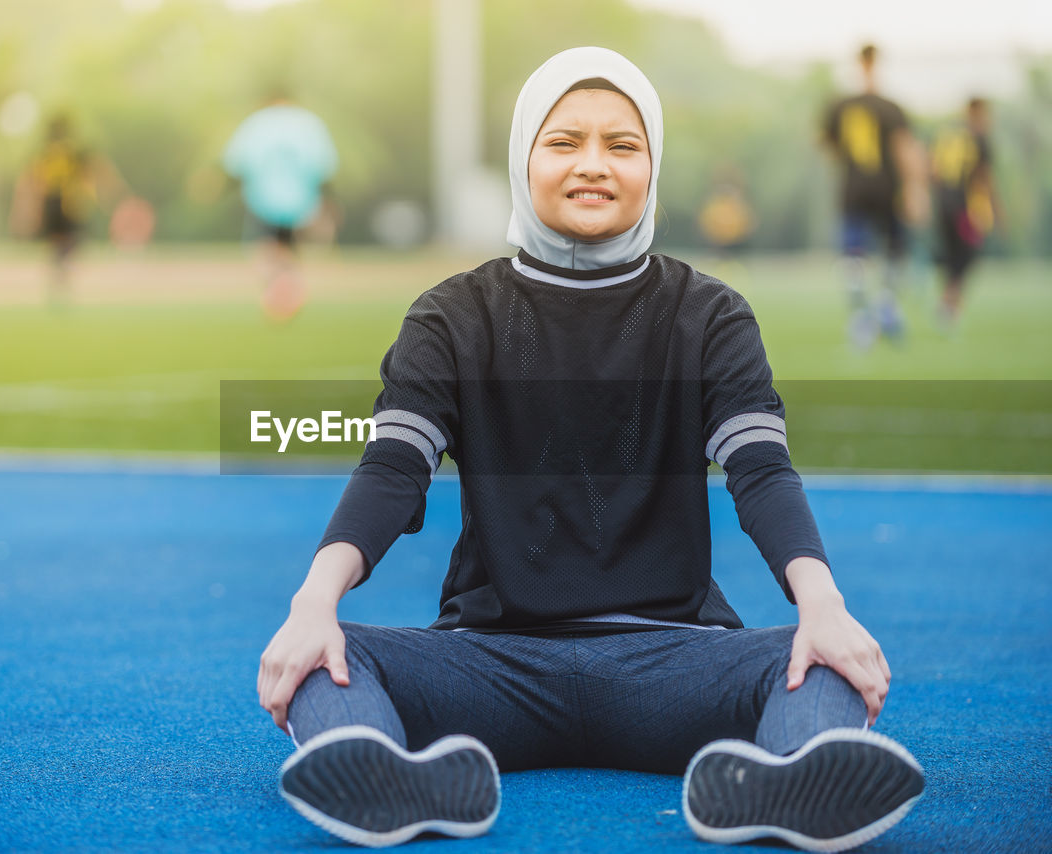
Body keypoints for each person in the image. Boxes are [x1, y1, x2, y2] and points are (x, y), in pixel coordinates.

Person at [258, 47, 924, 851]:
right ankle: (381, 778)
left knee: (821, 659)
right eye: (564, 142)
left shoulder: (709, 315)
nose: (594, 166)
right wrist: (312, 602)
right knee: (329, 654)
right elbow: (395, 468)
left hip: (675, 663)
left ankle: (793, 782)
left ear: (653, 165)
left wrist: (822, 605)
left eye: (623, 144)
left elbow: (761, 471)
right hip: (491, 664)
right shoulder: (452, 316)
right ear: (523, 159)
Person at [821, 45, 927, 349]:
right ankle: (885, 308)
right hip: (886, 189)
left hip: (854, 190)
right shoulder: (890, 107)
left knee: (853, 258)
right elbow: (905, 149)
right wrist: (915, 189)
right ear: (877, 63)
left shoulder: (840, 106)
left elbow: (826, 144)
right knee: (894, 253)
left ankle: (863, 318)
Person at [222, 95, 339, 322]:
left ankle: (277, 297)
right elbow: (325, 165)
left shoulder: (257, 122)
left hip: (264, 202)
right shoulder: (308, 123)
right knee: (288, 252)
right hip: (301, 203)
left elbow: (235, 163)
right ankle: (289, 293)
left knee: (267, 253)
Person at [10, 114, 135, 307]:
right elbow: (98, 171)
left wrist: (27, 211)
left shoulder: (45, 152)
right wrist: (113, 193)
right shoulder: (74, 151)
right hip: (68, 203)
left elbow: (30, 182)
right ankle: (61, 273)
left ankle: (59, 274)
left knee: (60, 244)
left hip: (54, 203)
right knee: (69, 242)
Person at [931, 97, 998, 330]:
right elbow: (984, 177)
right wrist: (995, 209)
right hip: (964, 207)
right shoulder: (979, 138)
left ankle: (949, 307)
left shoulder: (948, 136)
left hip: (942, 204)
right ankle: (949, 304)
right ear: (976, 113)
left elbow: (935, 170)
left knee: (953, 257)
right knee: (969, 254)